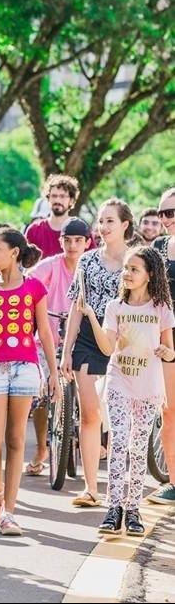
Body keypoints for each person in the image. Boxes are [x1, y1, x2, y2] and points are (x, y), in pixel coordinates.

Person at [77, 246, 175, 535]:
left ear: (149, 275)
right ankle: (113, 508)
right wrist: (91, 316)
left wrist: (166, 350)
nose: (127, 274)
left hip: (149, 387)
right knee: (118, 443)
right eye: (126, 269)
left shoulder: (161, 308)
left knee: (137, 446)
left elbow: (170, 352)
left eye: (134, 269)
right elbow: (107, 348)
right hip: (119, 382)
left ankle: (133, 509)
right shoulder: (114, 307)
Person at [0, 228, 60, 536]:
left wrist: (54, 374)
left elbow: (45, 333)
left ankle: (9, 512)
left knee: (16, 440)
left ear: (14, 253)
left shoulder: (34, 288)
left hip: (26, 368)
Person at [62, 198, 133, 507]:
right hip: (89, 342)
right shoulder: (87, 261)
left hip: (126, 343)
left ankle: (120, 489)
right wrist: (66, 350)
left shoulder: (139, 260)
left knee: (120, 420)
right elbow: (77, 307)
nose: (103, 227)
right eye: (101, 221)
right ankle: (92, 488)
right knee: (90, 414)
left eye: (110, 222)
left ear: (125, 225)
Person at [24, 217, 91, 476]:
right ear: (60, 241)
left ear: (87, 242)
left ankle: (89, 442)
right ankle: (42, 447)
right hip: (48, 339)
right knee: (41, 393)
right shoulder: (52, 264)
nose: (72, 246)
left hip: (84, 339)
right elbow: (29, 281)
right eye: (67, 240)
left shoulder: (91, 264)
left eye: (78, 240)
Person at [147, 189, 175, 505]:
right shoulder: (157, 248)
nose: (165, 219)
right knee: (169, 411)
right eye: (161, 213)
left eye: (171, 212)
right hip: (165, 335)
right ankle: (173, 482)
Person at [25, 174, 94, 258]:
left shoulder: (82, 230)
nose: (57, 200)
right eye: (54, 196)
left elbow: (92, 263)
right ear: (48, 198)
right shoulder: (33, 230)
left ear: (71, 200)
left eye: (62, 196)